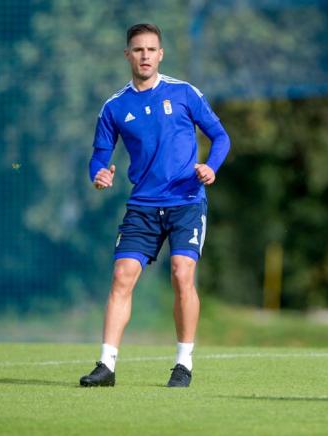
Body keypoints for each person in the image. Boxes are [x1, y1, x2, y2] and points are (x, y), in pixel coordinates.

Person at [79, 23, 230, 388]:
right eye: (138, 49)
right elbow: (99, 156)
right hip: (143, 206)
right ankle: (106, 366)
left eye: (151, 49)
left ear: (161, 54)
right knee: (121, 277)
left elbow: (220, 136)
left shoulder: (183, 93)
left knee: (181, 273)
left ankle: (183, 364)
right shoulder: (115, 106)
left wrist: (211, 166)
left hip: (186, 201)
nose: (145, 55)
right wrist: (99, 173)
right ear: (127, 55)